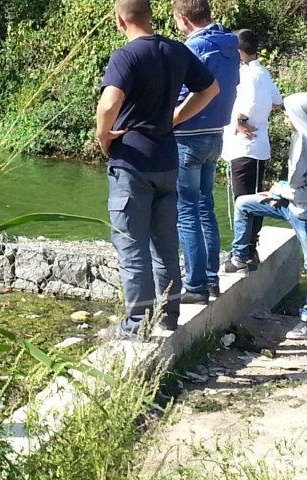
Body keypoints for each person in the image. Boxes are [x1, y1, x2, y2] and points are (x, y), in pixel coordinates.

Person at [97, 0, 218, 335]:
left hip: (131, 163)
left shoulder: (126, 56)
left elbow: (109, 103)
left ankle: (136, 324)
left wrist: (103, 136)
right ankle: (167, 316)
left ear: (120, 20)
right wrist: (175, 117)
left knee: (131, 245)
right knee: (165, 244)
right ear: (150, 16)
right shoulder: (176, 50)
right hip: (166, 160)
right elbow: (210, 89)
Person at [172, 0, 240, 304]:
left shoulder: (193, 48)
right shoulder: (230, 45)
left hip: (187, 136)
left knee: (186, 210)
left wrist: (169, 118)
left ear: (184, 19)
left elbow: (183, 92)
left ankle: (196, 285)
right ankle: (211, 279)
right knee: (204, 206)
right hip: (215, 134)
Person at [224, 93, 307, 339]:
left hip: (303, 212)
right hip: (292, 204)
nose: (285, 119)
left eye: (288, 114)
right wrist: (280, 190)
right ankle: (240, 257)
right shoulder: (299, 139)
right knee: (244, 204)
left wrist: (279, 191)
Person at [221, 29, 283, 264]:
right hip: (256, 147)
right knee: (253, 199)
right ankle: (248, 250)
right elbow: (277, 101)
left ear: (239, 52)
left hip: (246, 147)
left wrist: (241, 121)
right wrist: (260, 117)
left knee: (245, 201)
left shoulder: (248, 75)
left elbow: (247, 104)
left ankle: (243, 252)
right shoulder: (262, 72)